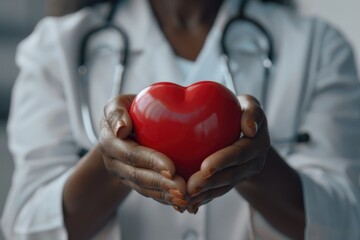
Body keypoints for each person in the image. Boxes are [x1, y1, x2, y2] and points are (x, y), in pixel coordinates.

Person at [1, 0, 360, 239]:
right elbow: (24, 228)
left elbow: (344, 224)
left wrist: (259, 167)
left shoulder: (318, 46)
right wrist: (109, 165)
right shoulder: (54, 49)